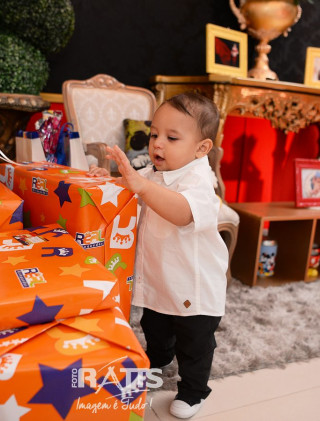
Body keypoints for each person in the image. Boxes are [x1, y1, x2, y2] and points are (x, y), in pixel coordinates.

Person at [89, 92, 228, 419]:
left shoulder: (200, 181)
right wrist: (113, 181)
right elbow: (135, 191)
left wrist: (141, 185)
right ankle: (160, 358)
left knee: (194, 343)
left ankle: (193, 390)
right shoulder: (153, 173)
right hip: (159, 276)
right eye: (154, 135)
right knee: (154, 324)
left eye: (171, 138)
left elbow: (181, 213)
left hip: (193, 288)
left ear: (201, 148)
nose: (158, 144)